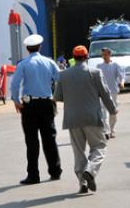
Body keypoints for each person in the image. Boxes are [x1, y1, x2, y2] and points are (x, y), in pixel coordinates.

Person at [53, 45, 116, 194]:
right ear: (86, 57)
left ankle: (82, 183)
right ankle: (91, 170)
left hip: (72, 119)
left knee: (79, 152)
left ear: (73, 58)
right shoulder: (95, 72)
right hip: (92, 117)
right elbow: (105, 94)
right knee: (100, 146)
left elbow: (57, 96)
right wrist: (113, 110)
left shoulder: (64, 75)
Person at [10, 34, 62, 185]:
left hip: (30, 105)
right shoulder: (49, 62)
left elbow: (14, 85)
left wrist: (16, 101)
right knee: (50, 139)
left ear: (27, 48)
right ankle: (55, 171)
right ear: (40, 47)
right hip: (47, 103)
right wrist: (55, 96)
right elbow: (60, 79)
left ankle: (33, 175)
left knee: (32, 141)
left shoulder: (23, 64)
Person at [97, 48, 124, 138]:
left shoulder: (115, 65)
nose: (104, 56)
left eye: (105, 55)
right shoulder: (99, 66)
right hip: (102, 92)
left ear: (109, 55)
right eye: (102, 55)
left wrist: (122, 82)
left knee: (113, 112)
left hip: (113, 92)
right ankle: (106, 131)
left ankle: (112, 129)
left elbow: (121, 76)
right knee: (104, 112)